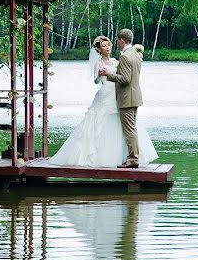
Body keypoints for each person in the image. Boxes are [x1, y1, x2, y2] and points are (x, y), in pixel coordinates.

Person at [49, 35, 157, 168]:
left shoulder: (116, 61)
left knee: (122, 124)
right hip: (105, 93)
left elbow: (123, 76)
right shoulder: (98, 63)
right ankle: (101, 156)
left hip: (118, 94)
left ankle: (124, 155)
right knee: (99, 122)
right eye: (104, 46)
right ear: (99, 50)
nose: (107, 48)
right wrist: (99, 74)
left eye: (109, 45)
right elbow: (96, 81)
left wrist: (110, 74)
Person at [99, 28, 146, 168]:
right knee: (132, 128)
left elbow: (125, 79)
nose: (117, 43)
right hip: (135, 96)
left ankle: (133, 159)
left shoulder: (125, 56)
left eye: (118, 41)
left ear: (121, 40)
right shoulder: (137, 54)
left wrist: (108, 74)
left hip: (126, 98)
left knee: (129, 129)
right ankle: (133, 156)